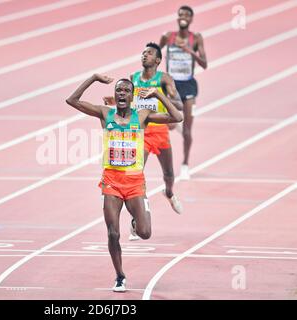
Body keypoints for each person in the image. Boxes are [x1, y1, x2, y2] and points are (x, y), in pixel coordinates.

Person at [66, 74, 182, 292]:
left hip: (135, 182)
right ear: (115, 94)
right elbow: (72, 100)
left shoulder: (143, 116)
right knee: (113, 233)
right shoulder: (105, 113)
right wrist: (93, 78)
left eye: (126, 91)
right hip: (111, 181)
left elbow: (177, 117)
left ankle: (136, 223)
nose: (121, 94)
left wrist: (158, 94)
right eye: (118, 90)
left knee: (145, 233)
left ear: (132, 96)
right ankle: (119, 275)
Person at [104, 42, 184, 223]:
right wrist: (114, 101)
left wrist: (158, 95)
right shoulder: (134, 77)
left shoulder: (164, 79)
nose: (144, 55)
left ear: (157, 60)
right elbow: (127, 100)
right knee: (136, 172)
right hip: (141, 132)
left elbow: (178, 105)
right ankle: (137, 217)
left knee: (169, 173)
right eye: (143, 53)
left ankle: (169, 193)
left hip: (160, 130)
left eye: (149, 53)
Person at [160, 5, 208, 180]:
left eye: (187, 15)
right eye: (181, 14)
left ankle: (185, 164)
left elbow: (204, 63)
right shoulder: (168, 37)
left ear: (191, 19)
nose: (184, 17)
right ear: (178, 17)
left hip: (188, 86)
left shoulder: (196, 38)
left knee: (188, 130)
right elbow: (155, 54)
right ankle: (175, 125)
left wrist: (189, 51)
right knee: (168, 123)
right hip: (170, 85)